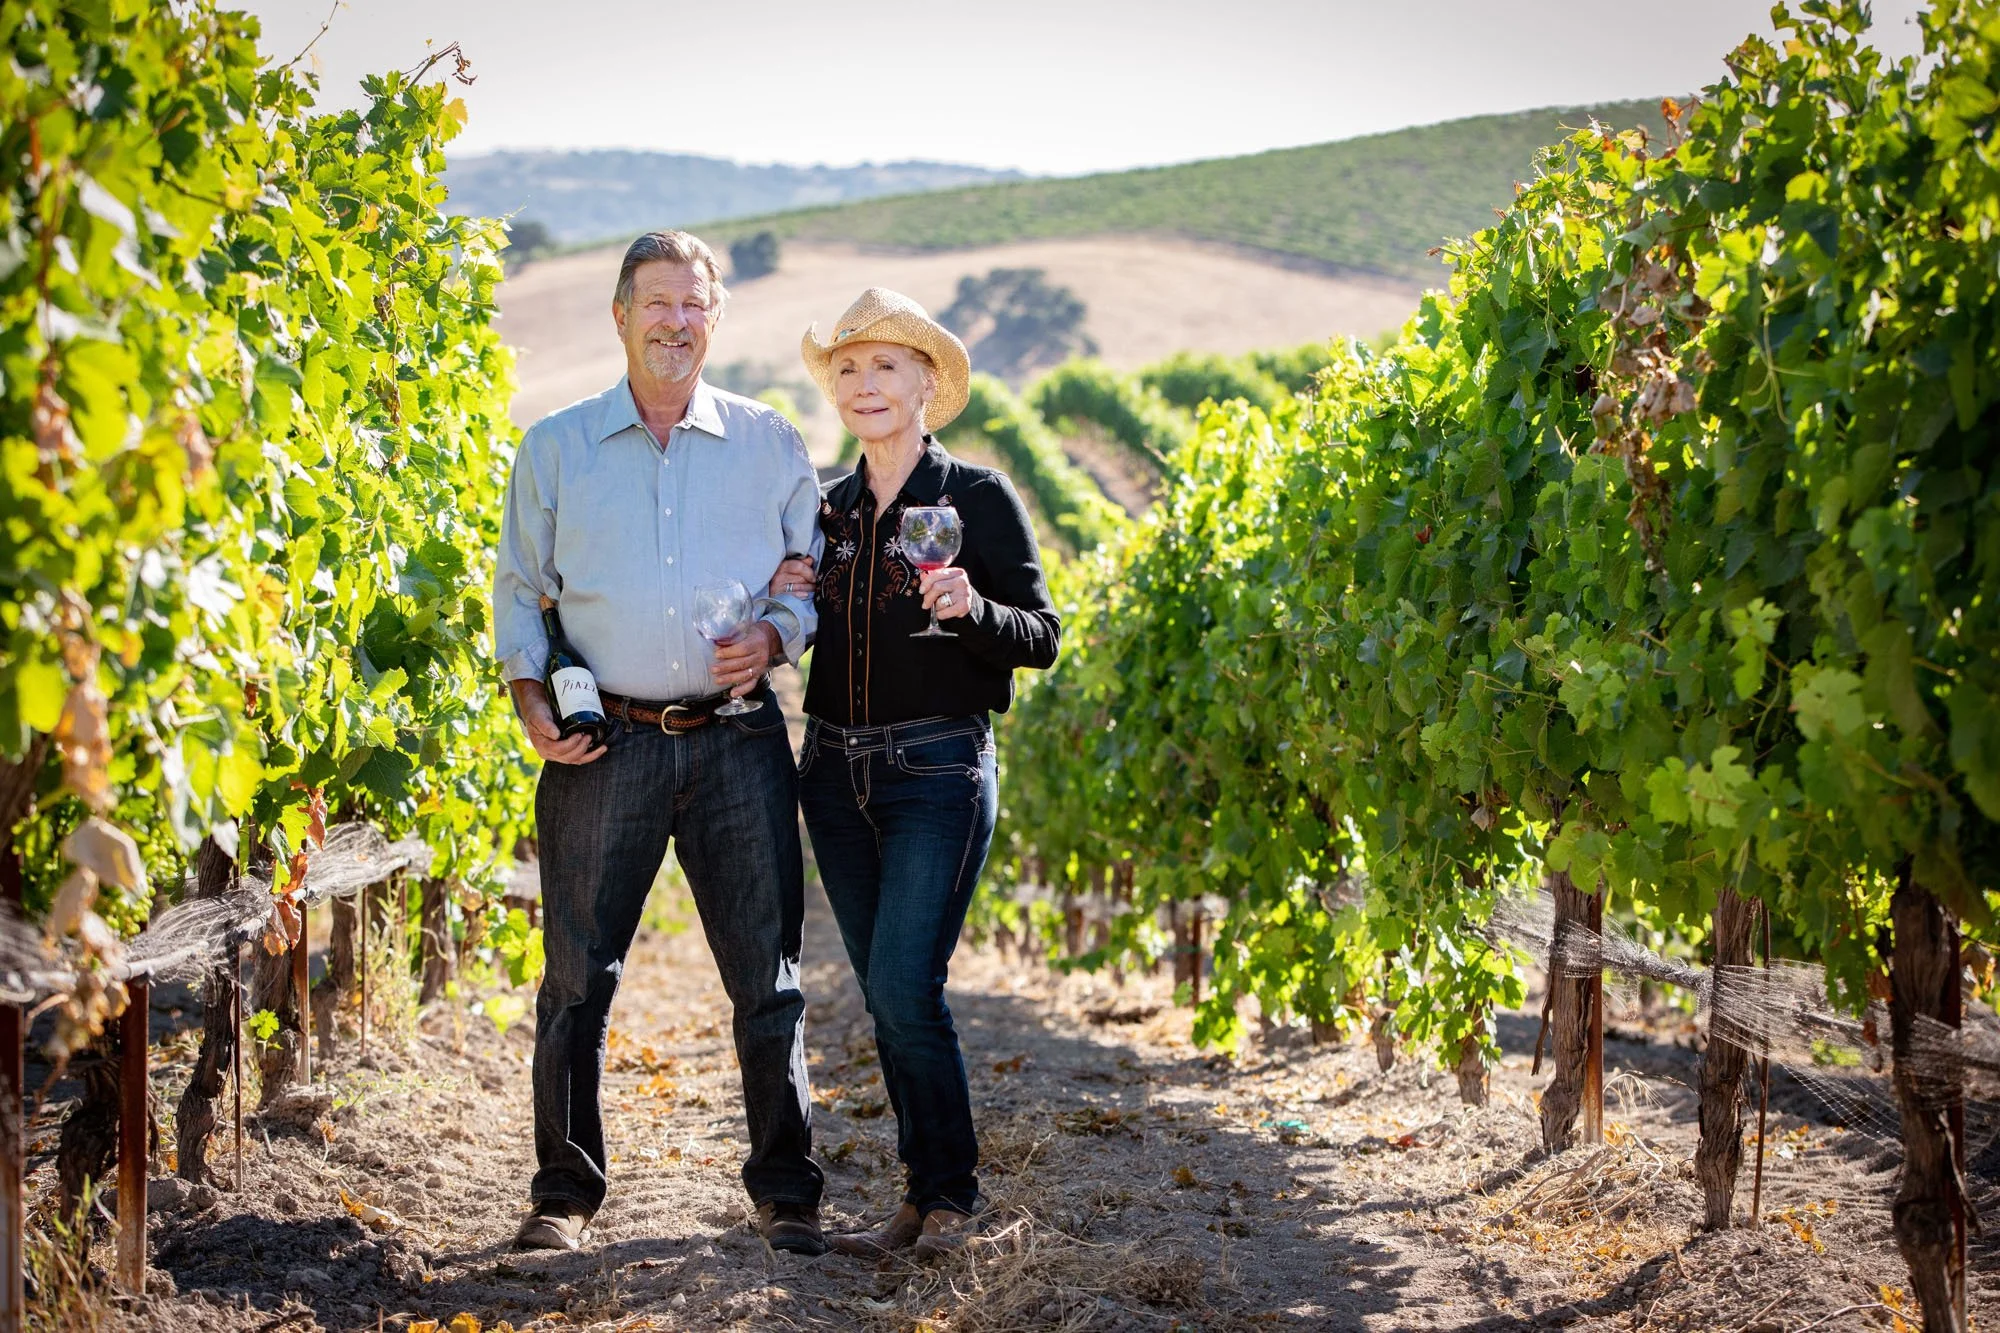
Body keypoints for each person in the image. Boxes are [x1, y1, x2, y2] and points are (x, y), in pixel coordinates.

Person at [492, 230, 828, 1255]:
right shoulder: (554, 446)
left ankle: (786, 1195)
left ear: (714, 316)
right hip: (608, 748)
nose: (675, 323)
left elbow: (801, 568)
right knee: (575, 980)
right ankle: (562, 1196)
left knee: (766, 981)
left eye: (693, 304)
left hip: (738, 741)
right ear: (620, 314)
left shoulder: (770, 442)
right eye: (656, 303)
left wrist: (776, 631)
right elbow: (519, 589)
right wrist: (525, 696)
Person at [775, 288, 1060, 1259]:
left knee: (903, 987)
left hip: (936, 767)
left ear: (926, 384)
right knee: (884, 994)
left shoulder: (975, 498)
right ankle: (917, 1197)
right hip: (832, 772)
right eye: (847, 368)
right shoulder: (828, 509)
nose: (864, 384)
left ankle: (950, 1201)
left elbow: (1042, 637)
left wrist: (971, 608)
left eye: (884, 366)